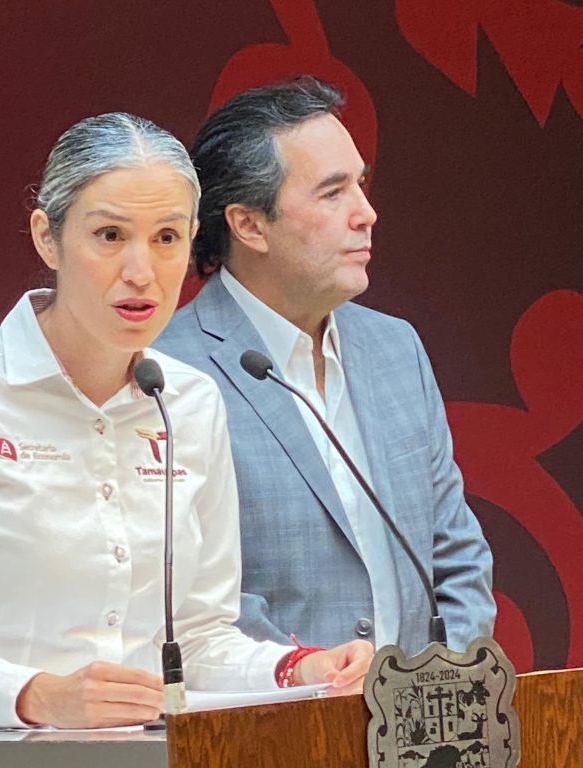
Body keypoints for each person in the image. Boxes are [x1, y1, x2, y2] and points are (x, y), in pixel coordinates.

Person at [0, 112, 374, 735]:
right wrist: (37, 696)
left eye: (167, 237)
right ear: (47, 238)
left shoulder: (190, 402)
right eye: (110, 235)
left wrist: (298, 669)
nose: (141, 271)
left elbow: (198, 642)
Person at [153, 77, 495, 656]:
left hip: (419, 708)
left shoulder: (395, 348)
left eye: (361, 184)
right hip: (273, 708)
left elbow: (457, 556)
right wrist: (311, 684)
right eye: (333, 193)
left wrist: (439, 682)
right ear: (249, 225)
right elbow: (197, 598)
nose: (366, 213)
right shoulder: (167, 370)